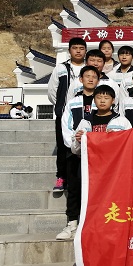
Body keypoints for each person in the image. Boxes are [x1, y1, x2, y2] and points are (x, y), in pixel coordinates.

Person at [58, 85, 131, 240]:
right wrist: (78, 140)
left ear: (113, 101)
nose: (102, 101)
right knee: (78, 191)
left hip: (113, 169)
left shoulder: (122, 122)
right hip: (89, 168)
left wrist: (115, 139)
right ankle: (73, 225)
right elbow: (75, 150)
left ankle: (110, 226)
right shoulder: (85, 122)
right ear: (94, 100)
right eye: (99, 97)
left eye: (106, 98)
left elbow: (129, 146)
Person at [48, 37, 87, 192]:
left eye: (81, 48)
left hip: (84, 115)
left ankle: (81, 178)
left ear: (85, 51)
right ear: (69, 50)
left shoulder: (89, 69)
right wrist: (62, 107)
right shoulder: (60, 68)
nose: (78, 51)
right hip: (64, 115)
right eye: (75, 48)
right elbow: (52, 91)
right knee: (63, 147)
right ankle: (61, 177)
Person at [61, 66, 101, 148]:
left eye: (94, 77)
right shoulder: (73, 103)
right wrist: (73, 144)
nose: (90, 80)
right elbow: (66, 125)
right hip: (75, 146)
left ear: (98, 81)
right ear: (81, 79)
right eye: (87, 76)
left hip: (97, 145)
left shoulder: (102, 102)